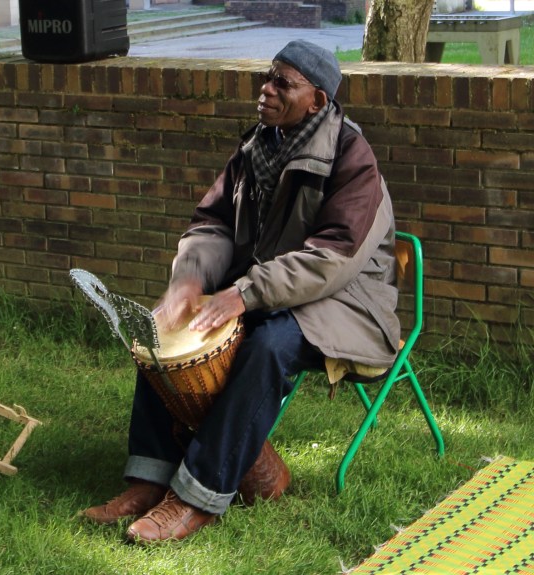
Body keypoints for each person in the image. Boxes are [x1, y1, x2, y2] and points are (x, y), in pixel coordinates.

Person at [81, 40, 401, 543]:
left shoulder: (353, 160)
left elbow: (332, 259)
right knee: (163, 332)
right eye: (267, 77)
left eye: (282, 84)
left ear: (317, 101)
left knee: (269, 344)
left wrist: (244, 293)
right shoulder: (258, 146)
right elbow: (212, 223)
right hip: (273, 287)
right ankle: (149, 479)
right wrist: (188, 280)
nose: (265, 90)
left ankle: (197, 497)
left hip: (346, 303)